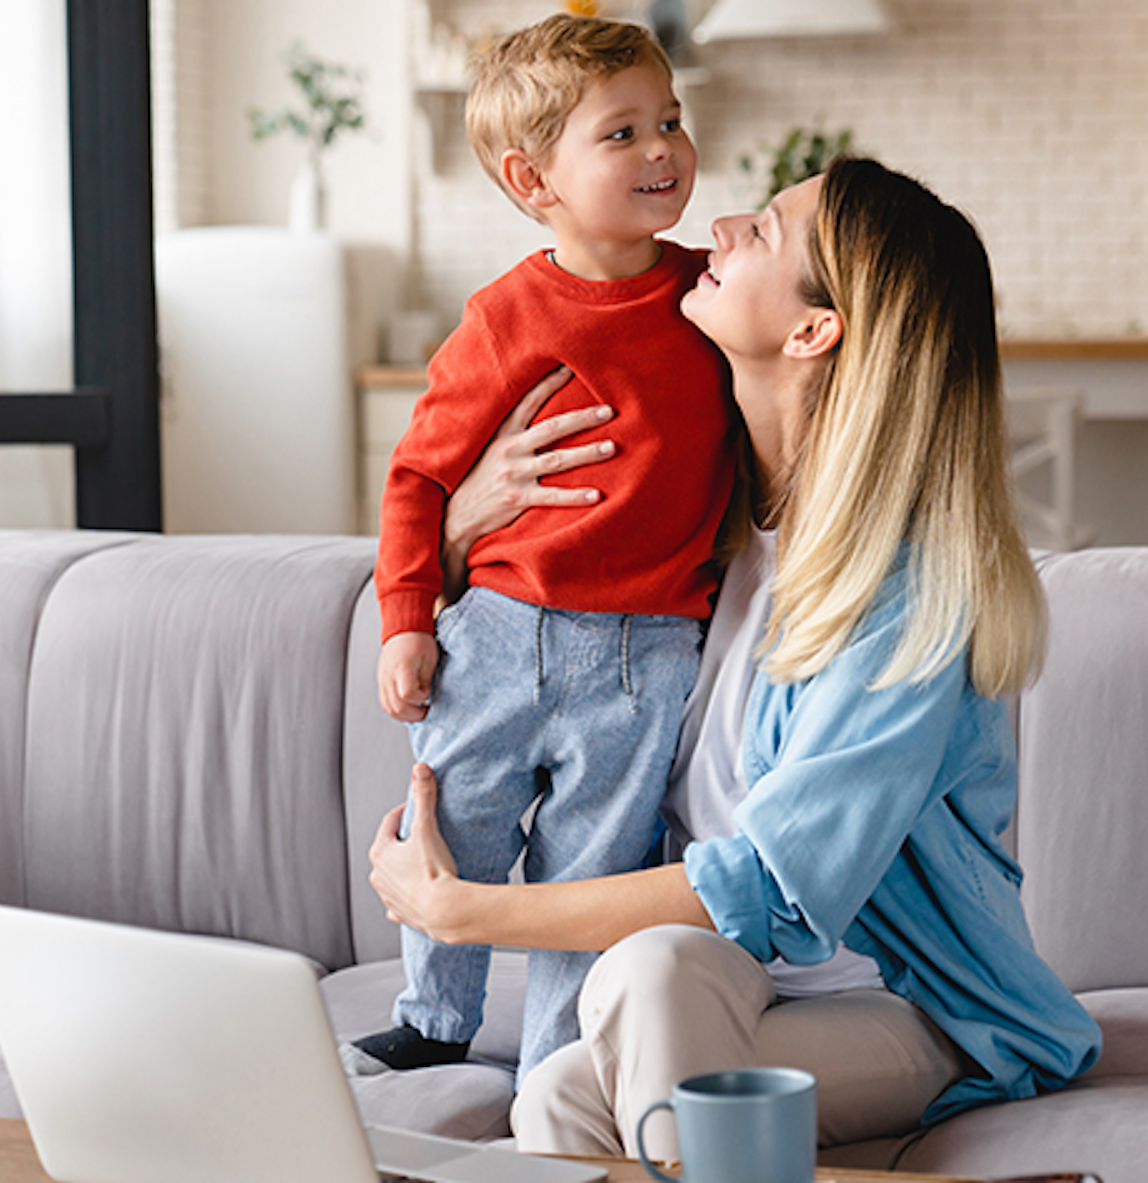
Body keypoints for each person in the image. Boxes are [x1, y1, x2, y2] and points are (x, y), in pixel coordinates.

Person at [368, 158, 1103, 1159]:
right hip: (729, 988)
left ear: (812, 330)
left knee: (651, 974)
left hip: (903, 1004)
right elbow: (535, 637)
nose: (717, 227)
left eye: (762, 229)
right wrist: (457, 529)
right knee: (551, 1098)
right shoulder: (704, 527)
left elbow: (773, 886)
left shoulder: (904, 592)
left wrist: (463, 910)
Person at [351, 14, 735, 1084]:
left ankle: (560, 1066)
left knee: (594, 870)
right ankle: (433, 1016)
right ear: (535, 180)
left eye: (670, 121)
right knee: (452, 829)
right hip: (501, 634)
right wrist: (406, 621)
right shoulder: (504, 317)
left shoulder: (712, 300)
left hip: (650, 651)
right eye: (622, 134)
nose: (663, 148)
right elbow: (419, 479)